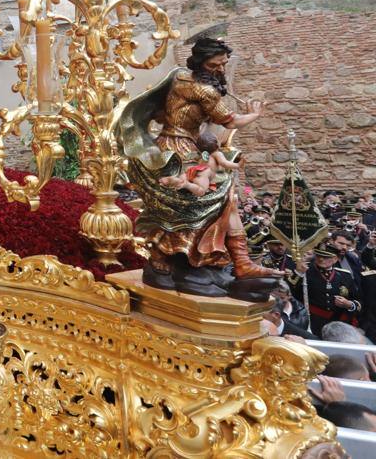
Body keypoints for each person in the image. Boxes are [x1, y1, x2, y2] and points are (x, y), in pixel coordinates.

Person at [139, 37, 281, 293]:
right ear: (200, 63)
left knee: (225, 198)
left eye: (223, 64)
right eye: (215, 65)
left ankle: (240, 261)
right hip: (178, 148)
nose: (220, 69)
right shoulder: (202, 90)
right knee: (196, 200)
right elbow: (230, 121)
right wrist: (255, 114)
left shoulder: (182, 77)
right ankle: (176, 255)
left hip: (190, 146)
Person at [293, 245, 362, 335]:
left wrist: (349, 304)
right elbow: (292, 291)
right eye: (319, 256)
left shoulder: (345, 275)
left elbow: (358, 300)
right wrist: (298, 273)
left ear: (335, 259)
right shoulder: (305, 271)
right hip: (311, 322)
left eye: (326, 257)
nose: (321, 259)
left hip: (337, 324)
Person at [159, 130, 240, 195]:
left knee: (184, 177)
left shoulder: (202, 154)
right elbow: (225, 163)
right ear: (216, 144)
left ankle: (175, 180)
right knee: (201, 190)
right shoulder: (217, 154)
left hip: (193, 169)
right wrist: (237, 165)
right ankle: (187, 184)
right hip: (204, 172)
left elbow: (196, 161)